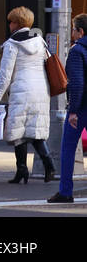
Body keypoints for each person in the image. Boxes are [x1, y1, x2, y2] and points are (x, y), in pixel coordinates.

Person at [0, 6, 53, 184]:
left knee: (18, 133)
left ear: (16, 23)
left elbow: (5, 76)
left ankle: (22, 171)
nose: (9, 24)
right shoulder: (40, 41)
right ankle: (49, 166)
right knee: (35, 131)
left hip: (21, 91)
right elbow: (48, 64)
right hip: (40, 91)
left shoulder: (12, 44)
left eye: (11, 21)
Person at [49, 13, 87, 202]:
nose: (72, 33)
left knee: (68, 149)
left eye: (74, 29)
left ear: (81, 32)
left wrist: (72, 110)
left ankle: (65, 191)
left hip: (81, 108)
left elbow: (77, 83)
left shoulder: (77, 51)